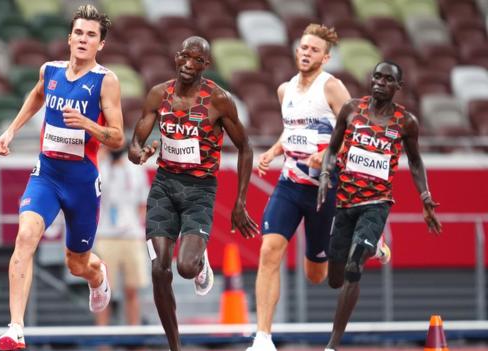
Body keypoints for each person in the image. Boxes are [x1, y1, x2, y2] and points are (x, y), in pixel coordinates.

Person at [0, 5, 124, 351]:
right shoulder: (49, 71)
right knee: (25, 236)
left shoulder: (105, 81)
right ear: (69, 38)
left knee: (76, 263)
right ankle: (16, 328)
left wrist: (89, 125)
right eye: (79, 33)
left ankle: (98, 277)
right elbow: (36, 96)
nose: (83, 39)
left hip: (82, 183)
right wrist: (10, 131)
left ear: (101, 44)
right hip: (47, 175)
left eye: (91, 35)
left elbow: (117, 137)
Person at [128, 36, 259, 351]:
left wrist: (240, 202)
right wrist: (139, 153)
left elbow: (245, 147)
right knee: (159, 269)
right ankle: (175, 346)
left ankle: (201, 264)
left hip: (199, 189)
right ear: (176, 58)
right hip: (164, 185)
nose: (189, 64)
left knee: (184, 268)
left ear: (206, 65)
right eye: (185, 57)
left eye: (197, 60)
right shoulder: (159, 95)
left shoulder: (218, 100)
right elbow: (135, 144)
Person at [317, 61, 443, 351]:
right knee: (334, 278)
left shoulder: (405, 122)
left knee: (352, 268)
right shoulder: (351, 110)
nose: (380, 83)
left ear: (398, 87)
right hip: (345, 202)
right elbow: (333, 150)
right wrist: (325, 174)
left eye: (388, 80)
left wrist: (425, 198)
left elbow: (414, 161)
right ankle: (377, 246)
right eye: (377, 76)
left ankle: (332, 345)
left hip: (376, 203)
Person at [246, 24, 352, 351]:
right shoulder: (285, 90)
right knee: (268, 252)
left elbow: (356, 132)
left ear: (326, 56)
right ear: (297, 50)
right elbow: (291, 129)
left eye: (314, 50)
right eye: (304, 47)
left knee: (317, 276)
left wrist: (328, 153)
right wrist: (275, 151)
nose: (307, 53)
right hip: (289, 185)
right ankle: (263, 338)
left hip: (323, 191)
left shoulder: (332, 88)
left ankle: (352, 238)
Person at [94, 144, 150, 327]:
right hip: (106, 235)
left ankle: (134, 336)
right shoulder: (101, 166)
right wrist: (100, 156)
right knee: (103, 291)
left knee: (132, 290)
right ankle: (103, 342)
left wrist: (133, 222)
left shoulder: (135, 168)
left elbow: (143, 201)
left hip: (131, 235)